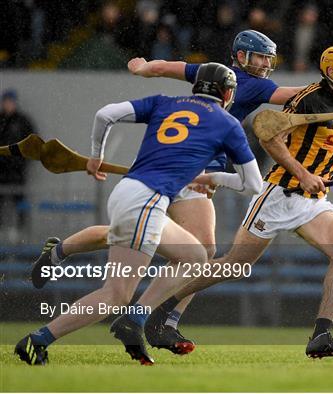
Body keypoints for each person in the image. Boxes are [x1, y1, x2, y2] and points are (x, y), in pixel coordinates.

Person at [31, 30, 333, 354]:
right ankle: (150, 313)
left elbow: (168, 67)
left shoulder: (203, 76)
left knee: (174, 243)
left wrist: (144, 69)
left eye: (269, 59)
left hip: (190, 168)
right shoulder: (252, 89)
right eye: (260, 58)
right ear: (240, 57)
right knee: (185, 248)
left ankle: (74, 258)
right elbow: (299, 96)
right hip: (201, 170)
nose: (266, 65)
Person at [111, 45, 333, 359]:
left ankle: (321, 335)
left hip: (314, 201)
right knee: (234, 265)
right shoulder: (307, 100)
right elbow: (269, 136)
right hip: (279, 194)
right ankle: (158, 309)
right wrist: (301, 173)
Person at [15, 62, 263, 366]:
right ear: (227, 92)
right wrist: (214, 178)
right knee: (116, 294)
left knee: (196, 256)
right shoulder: (227, 123)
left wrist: (96, 156)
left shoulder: (164, 102)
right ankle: (41, 339)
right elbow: (253, 184)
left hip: (131, 192)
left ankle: (132, 317)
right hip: (147, 200)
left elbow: (105, 114)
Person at [0, 89, 35, 239]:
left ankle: (21, 232)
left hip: (17, 170)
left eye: (10, 101)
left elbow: (33, 143)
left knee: (19, 199)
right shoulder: (1, 120)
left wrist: (21, 161)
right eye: (5, 101)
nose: (8, 105)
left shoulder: (22, 121)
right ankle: (2, 230)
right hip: (1, 170)